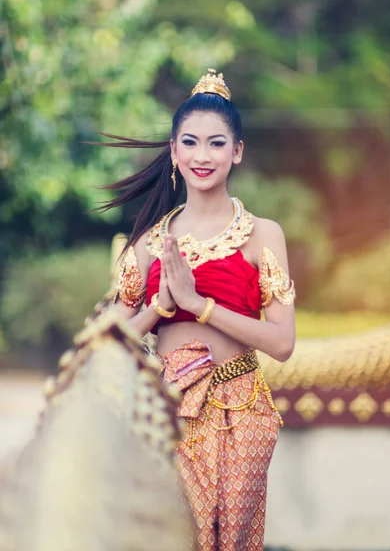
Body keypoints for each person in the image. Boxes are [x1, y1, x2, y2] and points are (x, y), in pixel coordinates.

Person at [98, 69, 296, 551]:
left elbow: (282, 343)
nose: (202, 156)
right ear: (173, 151)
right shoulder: (149, 244)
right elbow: (104, 343)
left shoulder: (263, 235)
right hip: (167, 410)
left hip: (242, 411)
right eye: (190, 142)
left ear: (238, 151)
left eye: (216, 143)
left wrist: (198, 307)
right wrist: (159, 307)